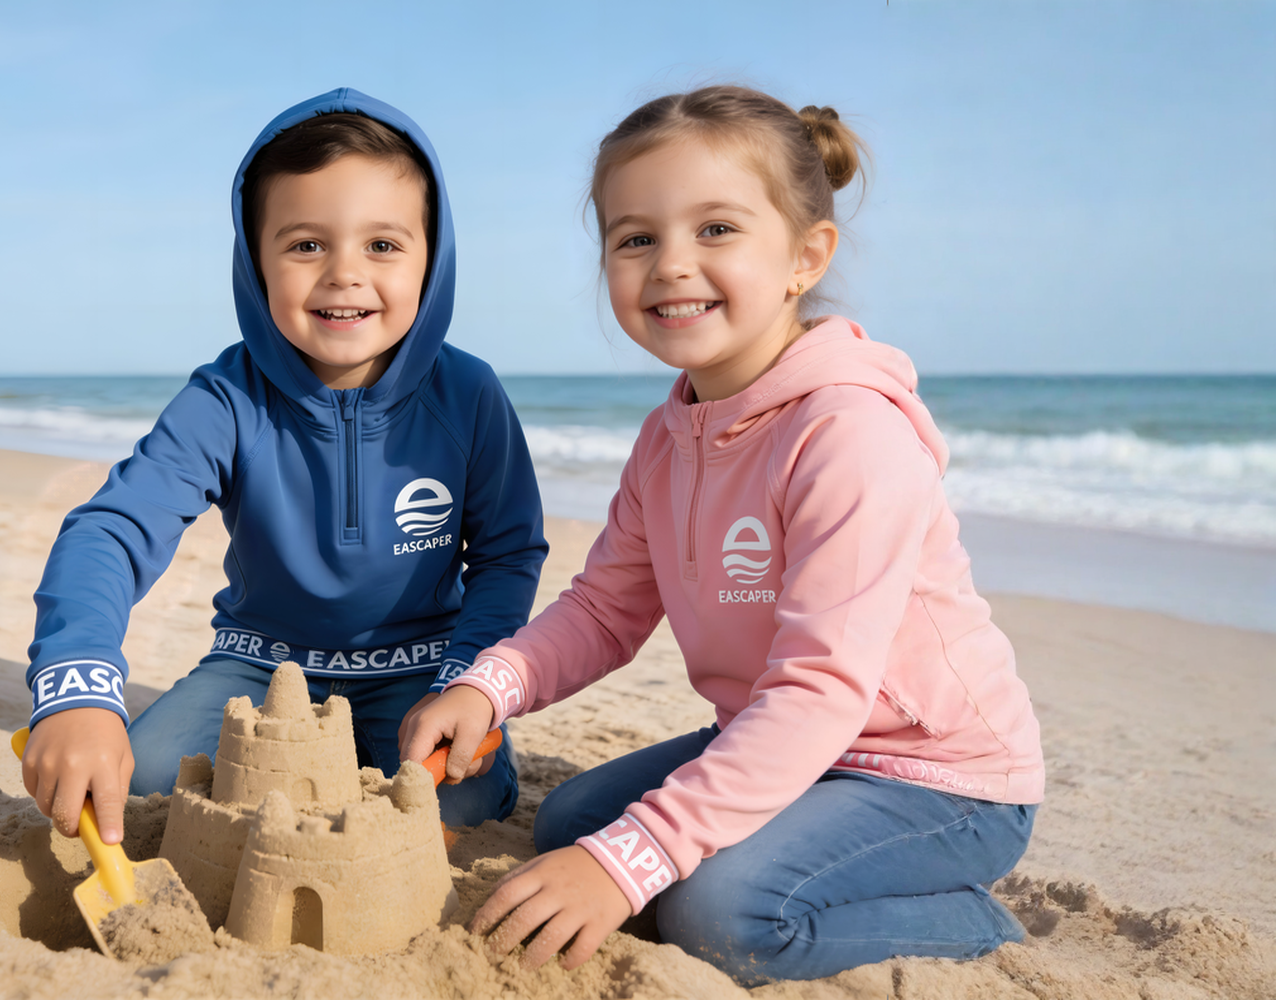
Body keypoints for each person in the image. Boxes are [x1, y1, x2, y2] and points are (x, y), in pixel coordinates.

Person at [401, 85, 1044, 986]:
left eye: (716, 230)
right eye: (636, 238)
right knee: (570, 824)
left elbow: (821, 691)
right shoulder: (670, 438)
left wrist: (638, 859)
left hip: (932, 777)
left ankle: (974, 922)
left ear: (804, 258)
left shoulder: (849, 433)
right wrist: (491, 687)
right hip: (785, 744)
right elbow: (605, 610)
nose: (671, 265)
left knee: (721, 913)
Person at [21, 88, 547, 848]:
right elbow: (113, 529)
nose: (344, 275)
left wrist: (469, 681)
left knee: (458, 807)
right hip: (258, 668)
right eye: (305, 245)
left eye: (383, 245)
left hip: (421, 668)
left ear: (432, 257)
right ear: (255, 260)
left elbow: (506, 554)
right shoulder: (226, 397)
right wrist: (76, 688)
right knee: (146, 779)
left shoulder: (468, 394)